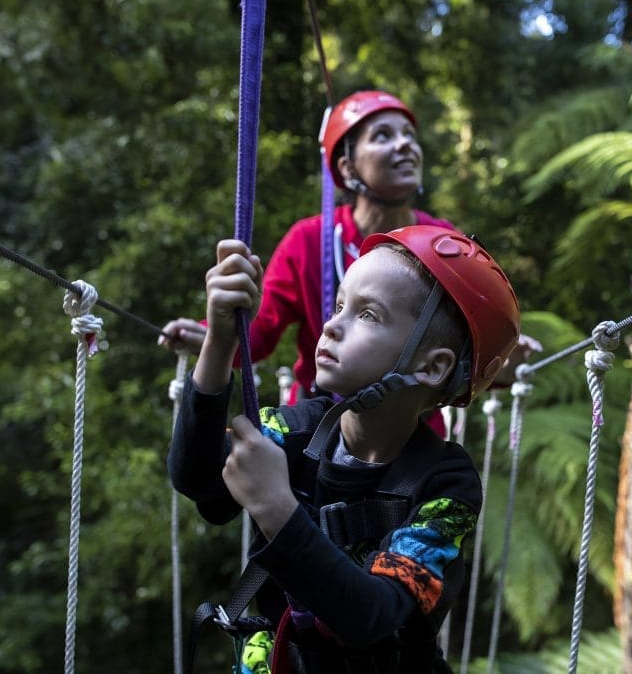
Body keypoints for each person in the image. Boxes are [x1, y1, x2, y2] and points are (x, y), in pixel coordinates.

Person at [168, 225, 521, 673]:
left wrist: (277, 506)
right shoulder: (297, 429)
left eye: (368, 314)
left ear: (432, 366)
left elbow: (370, 617)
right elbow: (198, 480)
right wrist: (220, 341)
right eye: (339, 305)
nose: (331, 326)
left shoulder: (446, 485)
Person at [158, 90, 539, 435]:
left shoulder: (446, 244)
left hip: (409, 434)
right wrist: (213, 334)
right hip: (315, 427)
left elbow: (461, 347)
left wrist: (499, 362)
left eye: (409, 134)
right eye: (383, 136)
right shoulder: (310, 240)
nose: (405, 144)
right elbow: (259, 333)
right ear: (346, 168)